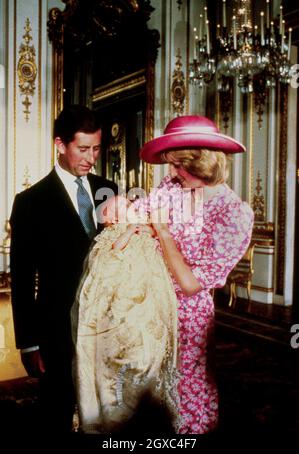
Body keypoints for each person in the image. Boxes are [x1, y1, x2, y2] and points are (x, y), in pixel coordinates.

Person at [132, 114, 254, 434]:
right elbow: (139, 219)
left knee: (185, 403)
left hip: (188, 320)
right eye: (170, 165)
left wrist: (161, 230)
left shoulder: (234, 215)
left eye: (178, 165)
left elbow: (189, 284)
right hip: (150, 308)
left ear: (202, 163)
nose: (171, 172)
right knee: (147, 402)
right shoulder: (173, 187)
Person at [9, 105, 117, 434]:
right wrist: (28, 344)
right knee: (56, 410)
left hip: (107, 325)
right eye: (83, 149)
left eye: (97, 148)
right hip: (56, 330)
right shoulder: (30, 202)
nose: (91, 157)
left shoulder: (108, 190)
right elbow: (23, 280)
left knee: (106, 409)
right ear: (60, 145)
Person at [72, 195, 179, 434]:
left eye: (129, 205)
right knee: (119, 350)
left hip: (146, 292)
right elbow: (115, 248)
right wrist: (130, 232)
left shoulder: (143, 225)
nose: (130, 206)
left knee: (145, 347)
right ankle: (117, 410)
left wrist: (149, 230)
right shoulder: (114, 233)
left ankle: (142, 403)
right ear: (112, 218)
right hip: (121, 295)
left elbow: (158, 234)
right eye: (121, 206)